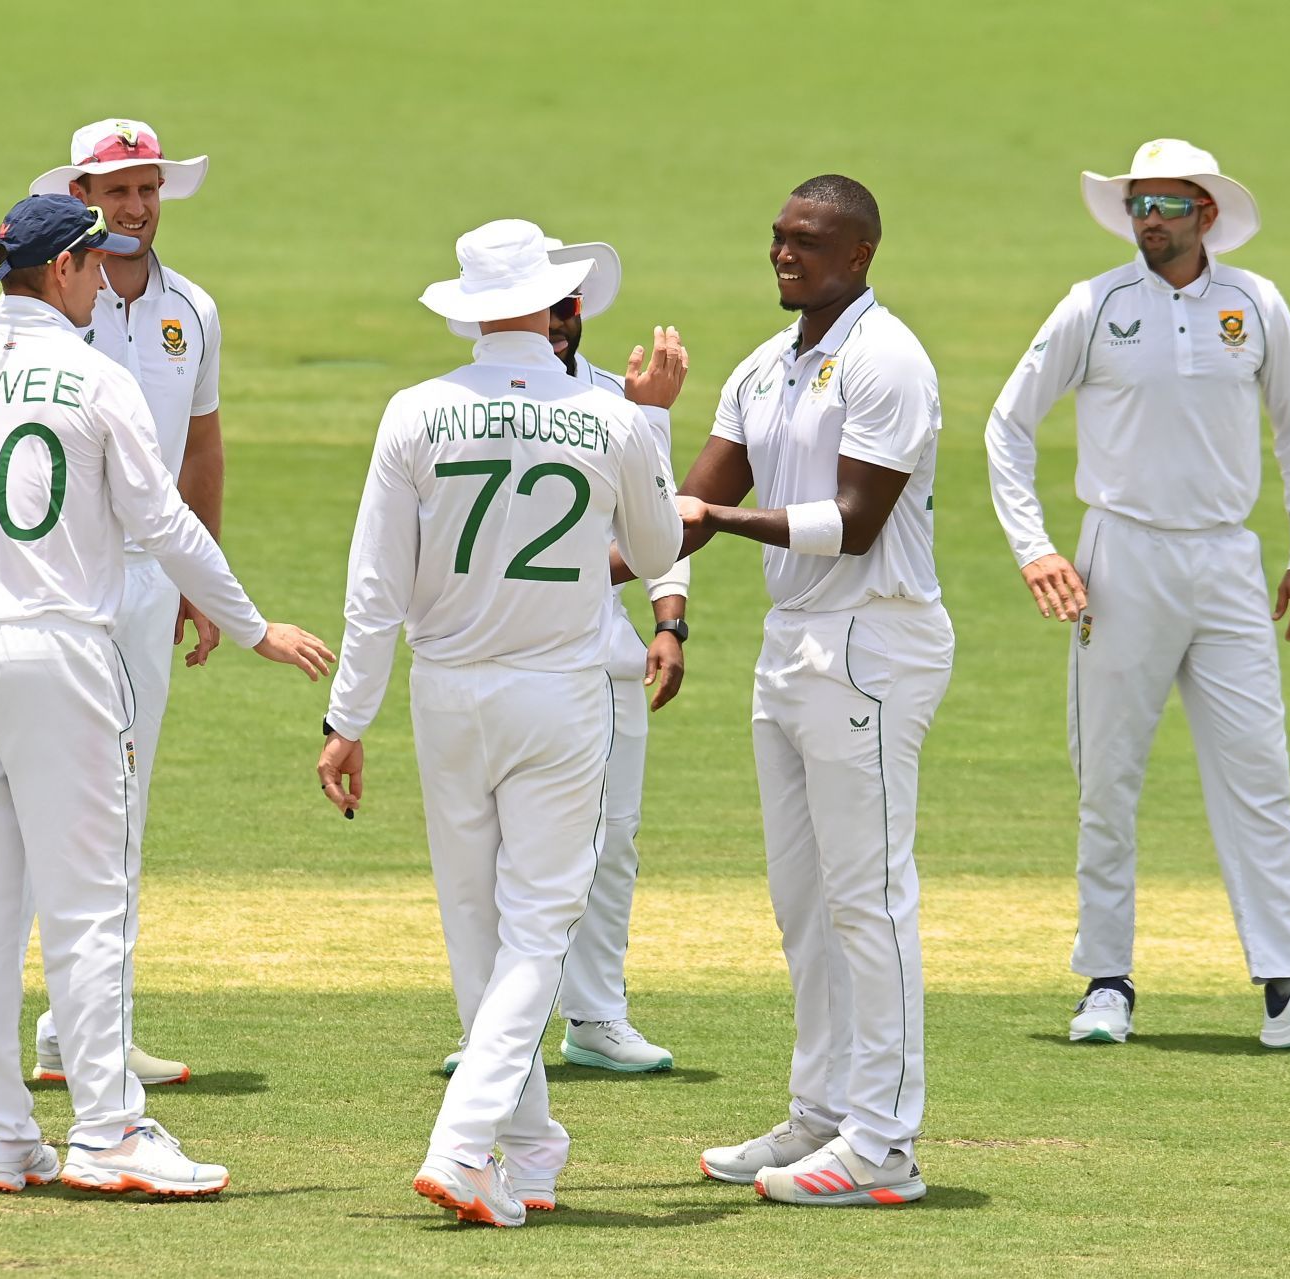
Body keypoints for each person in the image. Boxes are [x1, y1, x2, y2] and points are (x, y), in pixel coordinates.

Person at [0, 194, 333, 1196]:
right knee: (90, 902)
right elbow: (167, 525)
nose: (104, 280)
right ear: (61, 272)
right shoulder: (96, 376)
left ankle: (5, 1140)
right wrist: (252, 622)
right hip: (62, 651)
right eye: (94, 265)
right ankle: (107, 1130)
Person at [983, 138, 1290, 1048]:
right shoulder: (1093, 306)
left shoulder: (1255, 305)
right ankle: (1106, 981)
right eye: (1139, 204)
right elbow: (1008, 425)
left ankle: (1288, 990)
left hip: (1225, 560)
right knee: (1109, 774)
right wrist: (1036, 550)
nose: (1149, 220)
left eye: (1168, 206)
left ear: (1206, 214)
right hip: (1120, 554)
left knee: (1259, 770)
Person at [317, 219, 684, 1226]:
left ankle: (524, 1156)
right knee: (539, 929)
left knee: (476, 922)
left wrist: (347, 717)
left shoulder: (415, 412)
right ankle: (465, 1139)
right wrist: (651, 423)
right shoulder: (607, 416)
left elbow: (373, 586)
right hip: (559, 690)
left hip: (447, 690)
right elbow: (656, 546)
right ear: (554, 302)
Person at [676, 176, 949, 1207]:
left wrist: (716, 516)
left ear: (861, 253)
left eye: (808, 242)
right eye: (779, 239)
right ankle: (826, 1109)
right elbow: (691, 509)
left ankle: (885, 1145)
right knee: (804, 902)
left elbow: (855, 521)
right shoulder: (763, 367)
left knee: (868, 898)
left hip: (873, 641)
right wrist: (586, 575)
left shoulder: (890, 361)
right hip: (790, 643)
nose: (786, 255)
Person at [0, 120, 218, 1093]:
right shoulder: (60, 303)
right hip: (56, 582)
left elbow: (202, 450)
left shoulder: (194, 311)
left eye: (148, 190)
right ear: (82, 206)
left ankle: (80, 1022)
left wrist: (199, 585)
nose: (136, 208)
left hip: (149, 575)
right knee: (21, 795)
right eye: (118, 193)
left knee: (118, 798)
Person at [439, 235, 691, 1076]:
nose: (555, 323)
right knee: (499, 856)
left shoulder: (620, 402)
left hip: (598, 649)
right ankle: (495, 1028)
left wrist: (671, 620)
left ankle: (595, 1015)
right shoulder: (462, 403)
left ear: (578, 312)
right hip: (505, 651)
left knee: (610, 842)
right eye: (544, 307)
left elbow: (660, 534)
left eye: (567, 308)